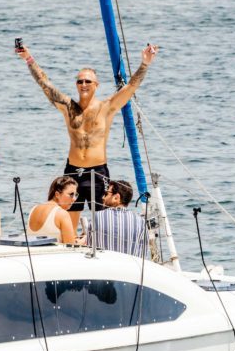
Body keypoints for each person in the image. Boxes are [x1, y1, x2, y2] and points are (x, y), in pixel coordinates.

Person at [17, 42, 158, 231]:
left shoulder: (106, 107)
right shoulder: (68, 107)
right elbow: (45, 84)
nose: (83, 84)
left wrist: (145, 63)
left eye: (88, 81)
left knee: (101, 221)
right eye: (80, 81)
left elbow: (131, 87)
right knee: (67, 221)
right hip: (73, 171)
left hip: (97, 172)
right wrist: (28, 58)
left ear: (96, 85)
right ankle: (70, 248)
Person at [89, 180, 145, 257]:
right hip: (131, 267)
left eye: (106, 194)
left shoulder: (96, 217)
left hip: (102, 267)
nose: (103, 197)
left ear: (116, 197)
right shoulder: (141, 222)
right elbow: (143, 253)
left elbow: (90, 248)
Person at [27, 176, 78, 244]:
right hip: (54, 253)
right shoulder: (62, 214)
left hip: (34, 253)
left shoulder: (33, 209)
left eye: (76, 195)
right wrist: (84, 241)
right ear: (57, 194)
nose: (74, 199)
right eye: (71, 194)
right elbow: (71, 246)